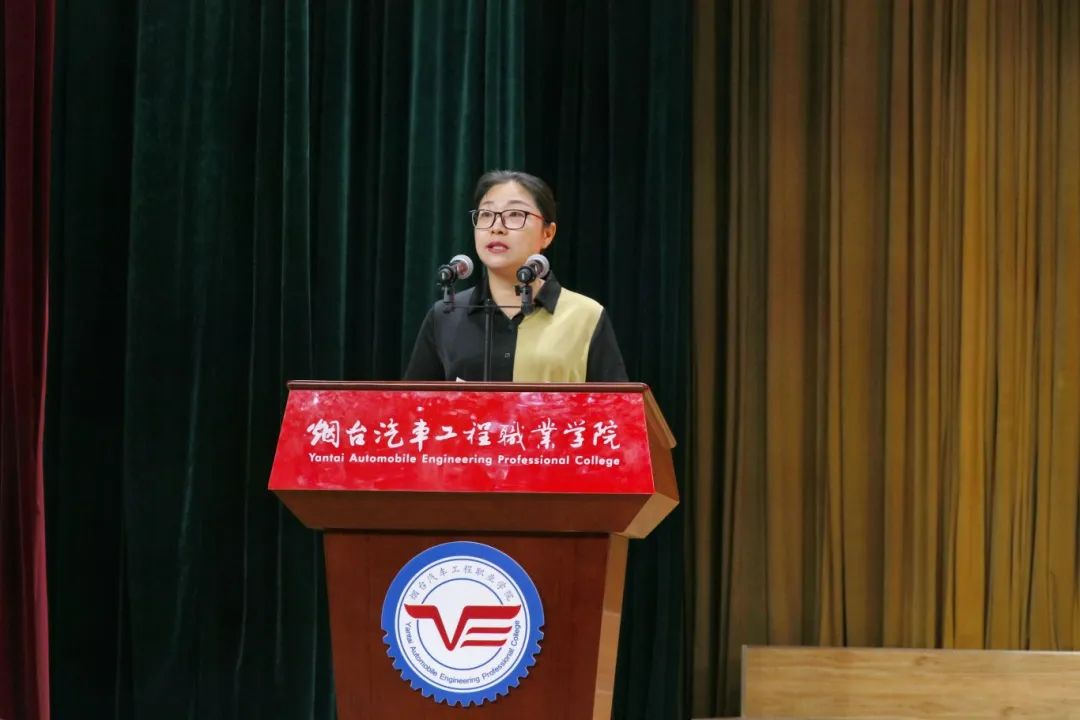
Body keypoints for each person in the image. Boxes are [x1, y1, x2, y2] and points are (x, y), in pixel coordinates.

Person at [403, 170, 628, 383]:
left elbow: (618, 407)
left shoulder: (585, 316)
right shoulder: (447, 314)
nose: (497, 227)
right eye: (486, 215)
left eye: (515, 215)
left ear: (547, 234)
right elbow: (411, 404)